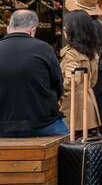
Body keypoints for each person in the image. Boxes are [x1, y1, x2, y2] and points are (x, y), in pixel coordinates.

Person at [64, 0, 102, 145]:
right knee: (100, 118)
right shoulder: (99, 23)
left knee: (99, 119)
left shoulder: (92, 26)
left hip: (94, 75)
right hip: (100, 72)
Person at [0, 8, 66, 137]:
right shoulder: (44, 49)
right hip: (41, 124)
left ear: (9, 27)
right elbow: (58, 85)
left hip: (2, 126)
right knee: (67, 146)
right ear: (33, 30)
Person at [60, 10, 102, 138]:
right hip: (89, 104)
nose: (64, 28)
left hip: (72, 108)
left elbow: (70, 81)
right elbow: (92, 81)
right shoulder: (91, 51)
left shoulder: (71, 53)